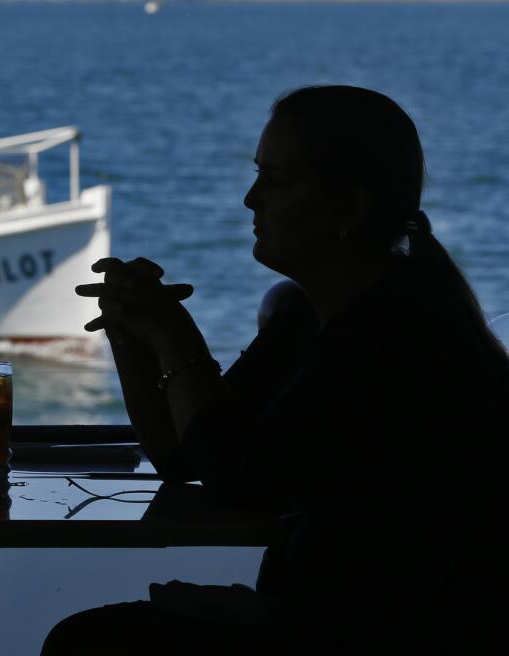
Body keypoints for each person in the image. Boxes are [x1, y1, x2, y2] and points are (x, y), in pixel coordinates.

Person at [46, 85, 509, 653]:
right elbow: (180, 453)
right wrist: (132, 333)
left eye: (277, 181)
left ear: (349, 208)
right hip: (336, 615)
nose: (250, 199)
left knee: (87, 644)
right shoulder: (311, 315)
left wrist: (173, 334)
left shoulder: (390, 331)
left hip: (391, 633)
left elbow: (232, 477)